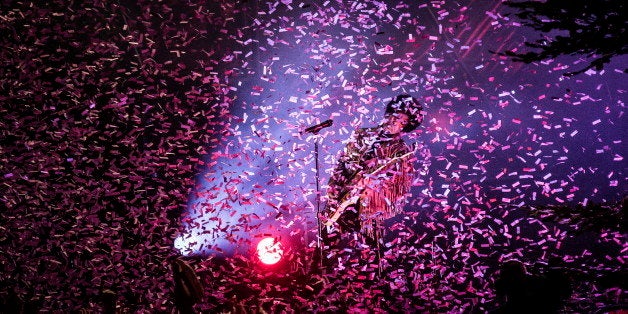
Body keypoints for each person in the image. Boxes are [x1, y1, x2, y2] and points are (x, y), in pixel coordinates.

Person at [321, 94, 424, 249]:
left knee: (366, 256)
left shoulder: (401, 151)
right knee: (326, 247)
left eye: (401, 121)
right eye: (393, 116)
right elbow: (342, 163)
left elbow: (400, 187)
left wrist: (375, 183)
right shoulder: (361, 134)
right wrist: (333, 187)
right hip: (340, 200)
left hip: (368, 209)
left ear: (406, 125)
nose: (394, 122)